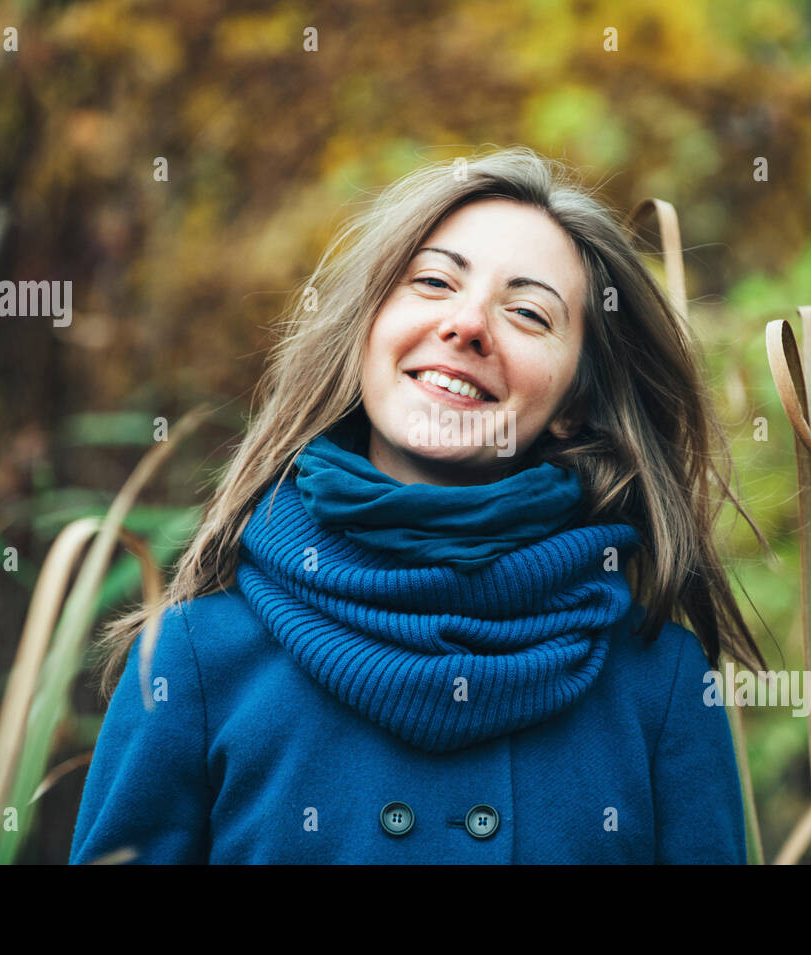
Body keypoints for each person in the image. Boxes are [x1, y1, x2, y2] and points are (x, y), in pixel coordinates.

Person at [68, 146, 768, 864]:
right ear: (367, 331)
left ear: (573, 404)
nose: (467, 324)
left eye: (528, 312)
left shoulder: (662, 688)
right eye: (433, 281)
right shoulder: (195, 659)